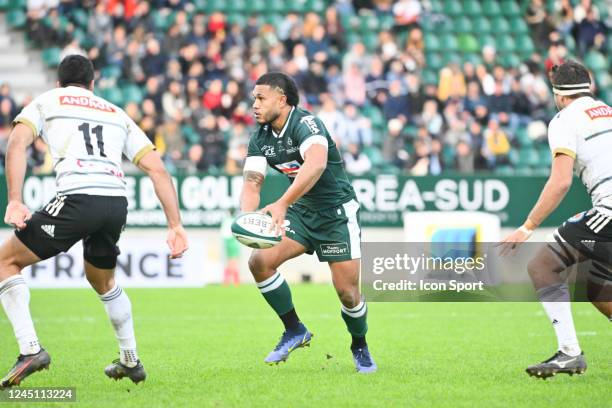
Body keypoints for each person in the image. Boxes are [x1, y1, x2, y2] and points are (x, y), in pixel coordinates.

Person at [0, 55, 188, 388]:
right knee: (102, 280)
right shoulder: (115, 112)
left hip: (77, 197)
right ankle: (130, 359)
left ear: (58, 83)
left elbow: (17, 141)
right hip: (115, 203)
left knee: (4, 262)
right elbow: (157, 169)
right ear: (93, 84)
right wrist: (175, 225)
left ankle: (30, 349)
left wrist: (15, 199)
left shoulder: (47, 101)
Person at [241, 72, 376, 373]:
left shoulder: (307, 124)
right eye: (254, 98)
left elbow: (316, 165)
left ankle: (360, 345)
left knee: (348, 294)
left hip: (336, 214)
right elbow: (252, 183)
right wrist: (246, 217)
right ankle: (294, 329)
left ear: (282, 99)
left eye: (261, 98)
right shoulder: (260, 137)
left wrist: (281, 203)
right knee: (259, 261)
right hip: (302, 212)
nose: (255, 105)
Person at [499, 61, 612, 379]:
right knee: (599, 290)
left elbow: (560, 182)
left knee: (542, 266)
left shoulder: (564, 120)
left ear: (558, 94)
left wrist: (527, 227)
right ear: (589, 86)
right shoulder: (606, 109)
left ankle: (569, 354)